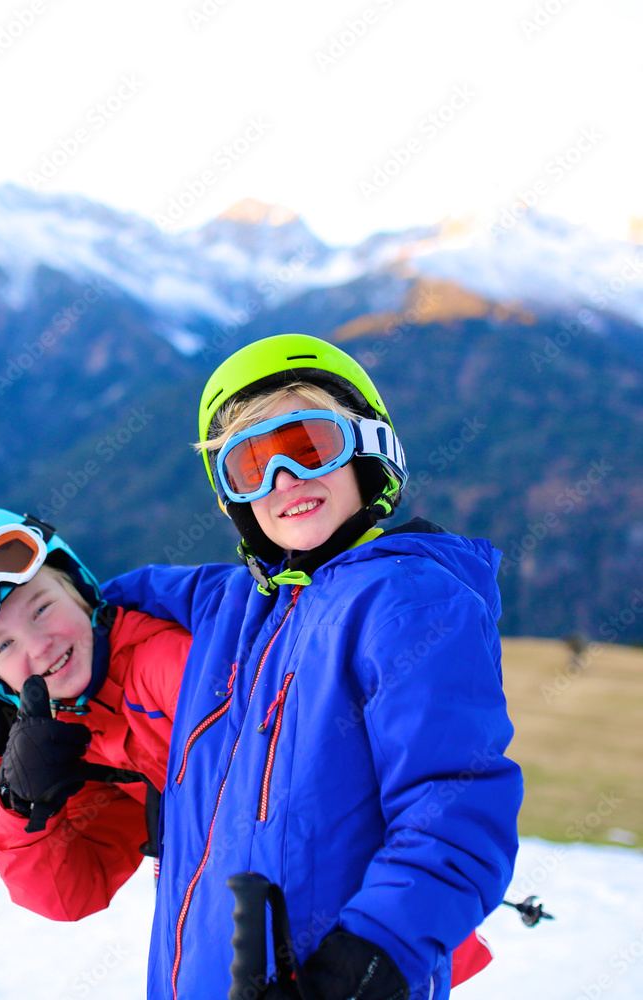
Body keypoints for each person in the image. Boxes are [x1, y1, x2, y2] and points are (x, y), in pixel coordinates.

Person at [102, 334, 523, 1000]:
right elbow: (101, 609)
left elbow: (456, 805)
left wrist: (367, 959)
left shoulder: (407, 599)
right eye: (250, 466)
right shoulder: (231, 605)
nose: (284, 482)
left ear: (368, 452)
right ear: (230, 495)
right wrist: (4, 677)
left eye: (308, 449)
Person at [0, 507, 190, 920]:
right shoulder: (83, 735)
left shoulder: (166, 666)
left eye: (41, 609)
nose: (38, 647)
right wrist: (19, 798)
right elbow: (70, 893)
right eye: (3, 647)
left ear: (78, 588)